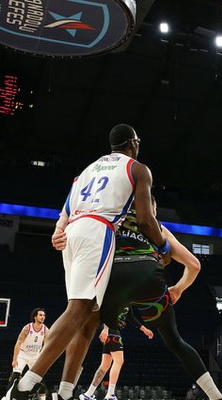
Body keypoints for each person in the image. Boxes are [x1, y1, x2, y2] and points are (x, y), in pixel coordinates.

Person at [7, 124, 170, 400]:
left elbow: (67, 207)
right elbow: (145, 219)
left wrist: (58, 230)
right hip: (98, 230)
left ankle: (66, 391)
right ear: (132, 143)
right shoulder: (138, 169)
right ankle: (24, 386)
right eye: (138, 142)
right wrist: (163, 246)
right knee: (79, 309)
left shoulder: (88, 169)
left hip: (73, 231)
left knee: (89, 316)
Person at [97, 196, 222, 400]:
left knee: (83, 327)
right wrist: (178, 290)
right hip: (150, 281)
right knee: (175, 342)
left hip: (115, 280)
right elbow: (194, 265)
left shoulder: (112, 220)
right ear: (153, 211)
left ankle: (65, 389)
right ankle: (216, 396)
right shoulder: (159, 228)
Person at [79, 308, 153, 400]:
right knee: (119, 361)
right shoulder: (117, 299)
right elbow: (108, 312)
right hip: (112, 331)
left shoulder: (128, 303)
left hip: (113, 331)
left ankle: (88, 394)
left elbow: (131, 318)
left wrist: (144, 329)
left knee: (105, 365)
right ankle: (110, 394)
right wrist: (105, 329)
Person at [7, 309, 48, 390]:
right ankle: (7, 395)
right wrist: (14, 359)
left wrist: (41, 357)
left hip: (35, 356)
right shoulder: (27, 328)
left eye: (44, 315)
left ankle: (43, 396)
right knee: (15, 376)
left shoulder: (46, 330)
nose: (43, 317)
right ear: (35, 317)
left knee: (39, 378)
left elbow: (46, 345)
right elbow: (18, 343)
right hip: (23, 354)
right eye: (40, 315)